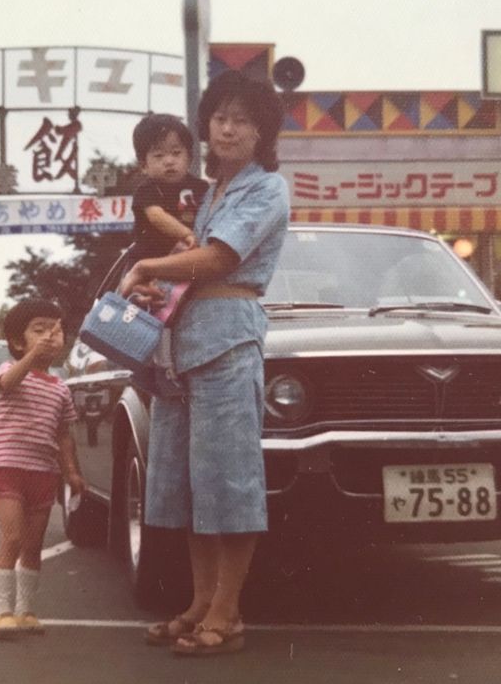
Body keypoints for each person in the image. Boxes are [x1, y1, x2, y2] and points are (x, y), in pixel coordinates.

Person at [120, 70, 288, 656]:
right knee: (191, 485)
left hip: (227, 341)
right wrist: (151, 290)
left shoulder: (267, 188)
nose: (228, 127)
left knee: (228, 481)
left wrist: (145, 272)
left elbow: (217, 259)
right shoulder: (208, 190)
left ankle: (227, 612)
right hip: (181, 344)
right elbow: (185, 261)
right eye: (219, 117)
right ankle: (198, 601)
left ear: (263, 129)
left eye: (242, 118)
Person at [0, 299, 85, 639]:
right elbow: (7, 383)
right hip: (6, 466)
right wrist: (29, 358)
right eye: (39, 330)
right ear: (17, 341)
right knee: (12, 537)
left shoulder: (61, 389)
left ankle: (26, 611)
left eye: (55, 331)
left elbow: (64, 434)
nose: (49, 337)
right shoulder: (8, 370)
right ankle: (1, 612)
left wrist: (71, 472)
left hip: (43, 472)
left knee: (32, 545)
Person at [130, 113, 208, 263]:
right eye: (159, 155)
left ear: (189, 158)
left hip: (190, 261)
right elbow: (157, 216)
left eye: (176, 153)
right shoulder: (147, 190)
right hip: (150, 263)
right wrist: (186, 235)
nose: (169, 161)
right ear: (144, 165)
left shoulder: (201, 188)